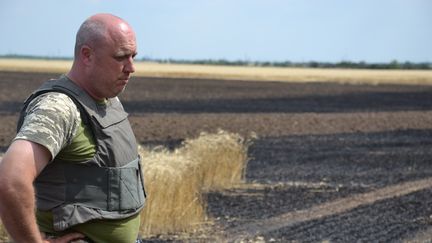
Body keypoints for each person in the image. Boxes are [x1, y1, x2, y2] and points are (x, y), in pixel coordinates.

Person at [0, 13, 146, 243]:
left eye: (133, 56)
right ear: (86, 55)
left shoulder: (107, 97)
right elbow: (10, 180)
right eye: (121, 57)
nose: (131, 68)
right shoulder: (59, 108)